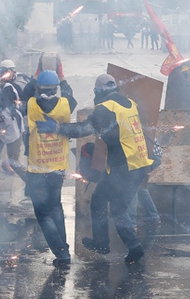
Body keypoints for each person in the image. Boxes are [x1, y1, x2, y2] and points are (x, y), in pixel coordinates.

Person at [36, 73, 153, 264]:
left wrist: (56, 127)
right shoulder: (129, 103)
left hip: (125, 169)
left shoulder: (105, 109)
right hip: (137, 165)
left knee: (117, 209)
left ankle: (130, 247)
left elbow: (83, 129)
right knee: (101, 200)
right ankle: (108, 243)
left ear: (98, 91)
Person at [25, 70, 77, 267]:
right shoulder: (66, 105)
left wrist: (36, 75)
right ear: (57, 88)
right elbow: (69, 93)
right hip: (58, 167)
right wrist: (62, 76)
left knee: (43, 213)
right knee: (56, 208)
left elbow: (27, 90)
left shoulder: (31, 104)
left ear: (38, 88)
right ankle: (63, 248)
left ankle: (61, 253)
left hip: (38, 169)